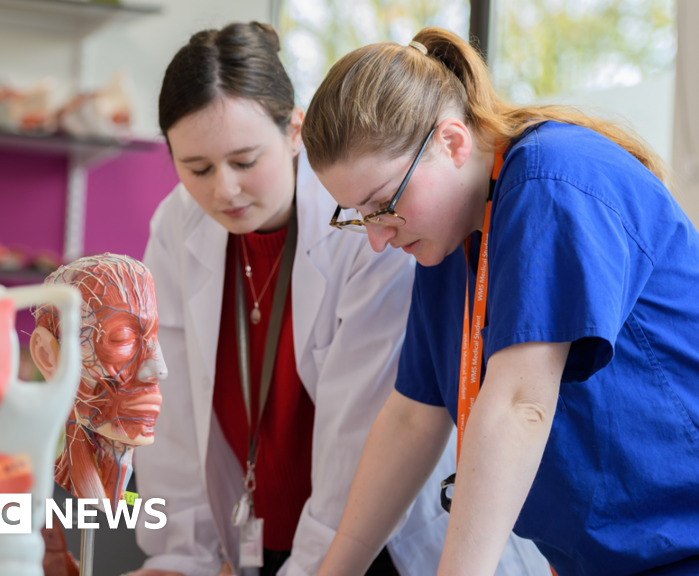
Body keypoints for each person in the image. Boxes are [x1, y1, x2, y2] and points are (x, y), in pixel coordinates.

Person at [302, 27, 699, 576]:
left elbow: (520, 405)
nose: (377, 237)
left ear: (450, 142)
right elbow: (410, 422)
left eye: (383, 204)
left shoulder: (553, 181)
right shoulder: (443, 243)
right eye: (358, 216)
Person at [128, 23, 550, 576]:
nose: (222, 190)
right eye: (197, 169)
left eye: (245, 161)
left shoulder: (376, 223)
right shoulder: (176, 228)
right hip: (259, 535)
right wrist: (179, 557)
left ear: (293, 130)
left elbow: (369, 430)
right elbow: (167, 406)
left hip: (377, 543)